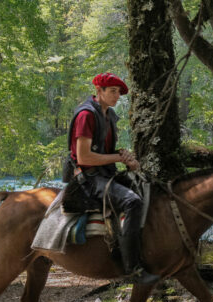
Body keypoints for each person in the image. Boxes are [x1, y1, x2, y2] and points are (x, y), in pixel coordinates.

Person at [66, 73, 159, 284]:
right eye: (113, 91)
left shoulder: (108, 115)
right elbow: (84, 157)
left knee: (145, 188)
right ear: (99, 91)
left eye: (119, 92)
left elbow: (104, 151)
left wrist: (126, 158)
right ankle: (131, 270)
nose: (117, 96)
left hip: (104, 173)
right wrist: (118, 157)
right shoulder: (86, 115)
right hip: (87, 177)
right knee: (132, 202)